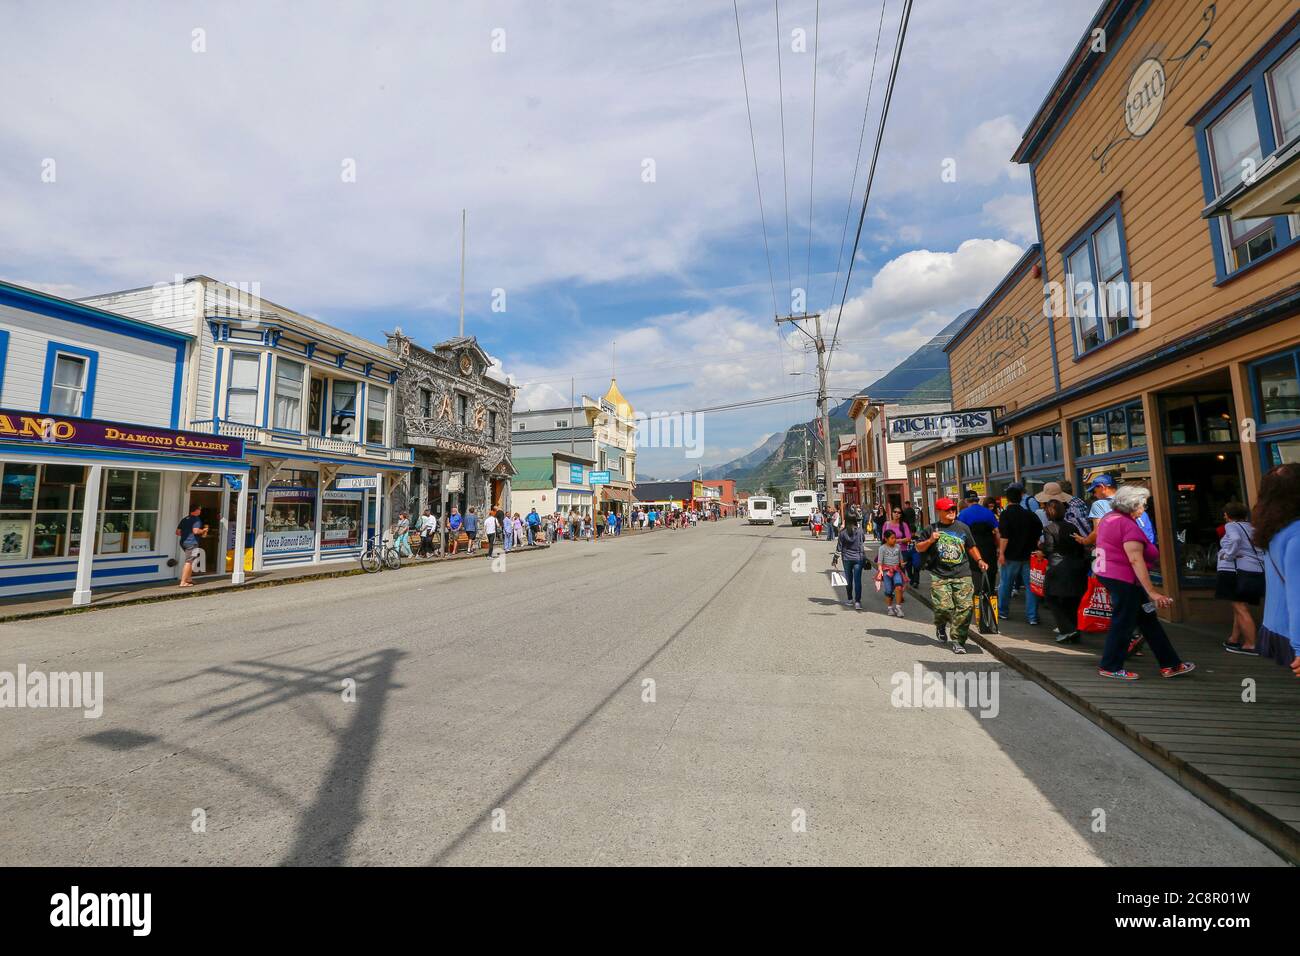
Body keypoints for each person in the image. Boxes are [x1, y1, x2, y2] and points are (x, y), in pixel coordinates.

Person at [1094, 484, 1194, 680]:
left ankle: (1171, 663)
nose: (1144, 508)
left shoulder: (1108, 518)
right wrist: (1152, 591)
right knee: (1123, 622)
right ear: (1133, 505)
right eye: (1143, 505)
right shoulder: (1127, 525)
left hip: (1112, 575)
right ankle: (1110, 666)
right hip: (1125, 580)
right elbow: (1135, 559)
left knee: (1147, 620)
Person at [914, 497, 988, 653]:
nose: (951, 512)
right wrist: (930, 540)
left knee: (966, 608)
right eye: (947, 510)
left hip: (962, 573)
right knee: (943, 608)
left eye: (953, 509)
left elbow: (971, 547)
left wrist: (980, 560)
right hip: (940, 575)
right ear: (939, 511)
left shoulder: (963, 528)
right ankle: (941, 625)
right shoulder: (931, 529)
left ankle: (958, 640)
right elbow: (919, 548)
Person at [1253, 463, 1300, 676]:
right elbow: (1297, 596)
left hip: (1276, 626)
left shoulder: (1275, 531)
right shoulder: (1296, 535)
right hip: (1291, 631)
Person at [1037, 497, 1090, 643]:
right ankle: (1074, 629)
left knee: (1051, 598)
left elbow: (1049, 548)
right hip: (1075, 566)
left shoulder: (1049, 528)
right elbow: (1079, 546)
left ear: (1048, 513)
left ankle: (1067, 629)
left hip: (1057, 567)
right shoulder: (1072, 527)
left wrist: (1041, 549)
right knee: (1072, 600)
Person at [1217, 501, 1265, 655]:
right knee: (1240, 606)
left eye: (1225, 513)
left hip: (1235, 570)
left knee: (1239, 607)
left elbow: (1236, 540)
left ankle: (1251, 644)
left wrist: (1228, 555)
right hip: (1254, 570)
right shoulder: (1251, 526)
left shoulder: (1231, 526)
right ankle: (1234, 638)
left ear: (1228, 515)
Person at [996, 483, 1041, 625]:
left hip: (1011, 555)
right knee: (1031, 587)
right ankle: (1032, 616)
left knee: (1005, 584)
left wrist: (1001, 553)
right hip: (1030, 555)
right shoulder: (1030, 514)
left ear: (1007, 499)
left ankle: (1003, 612)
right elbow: (1039, 532)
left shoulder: (1006, 514)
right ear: (1021, 497)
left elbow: (1005, 536)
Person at [958, 490, 1001, 600]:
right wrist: (999, 548)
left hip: (973, 549)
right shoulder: (988, 512)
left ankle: (978, 598)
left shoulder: (963, 514)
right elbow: (997, 532)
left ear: (966, 501)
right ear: (977, 499)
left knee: (975, 574)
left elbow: (959, 534)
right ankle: (990, 596)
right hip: (989, 548)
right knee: (990, 573)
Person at [1074, 475, 1117, 548]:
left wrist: (1084, 541)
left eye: (1094, 491)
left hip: (1112, 550)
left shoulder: (1099, 504)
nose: (1094, 494)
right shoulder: (1130, 501)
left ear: (1102, 487)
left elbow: (1098, 532)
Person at [835, 513, 866, 610]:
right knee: (857, 581)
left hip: (847, 558)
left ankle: (849, 599)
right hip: (858, 558)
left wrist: (835, 559)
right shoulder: (860, 531)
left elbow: (839, 547)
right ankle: (857, 602)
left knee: (848, 580)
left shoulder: (843, 532)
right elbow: (863, 540)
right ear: (855, 520)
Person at [876, 529, 908, 617]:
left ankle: (898, 607)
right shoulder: (882, 548)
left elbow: (900, 558)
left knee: (898, 586)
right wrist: (880, 571)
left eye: (895, 538)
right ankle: (890, 608)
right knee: (888, 591)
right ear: (886, 539)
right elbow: (879, 562)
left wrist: (902, 563)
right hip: (887, 572)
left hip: (897, 570)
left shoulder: (898, 547)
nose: (895, 540)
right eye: (892, 538)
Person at [175, 505, 208, 588]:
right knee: (189, 562)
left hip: (183, 542)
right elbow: (196, 531)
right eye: (199, 509)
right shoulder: (196, 519)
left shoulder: (185, 519)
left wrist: (187, 534)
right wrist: (203, 530)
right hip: (192, 543)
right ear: (196, 510)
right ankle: (183, 582)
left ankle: (189, 579)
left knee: (191, 560)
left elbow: (178, 532)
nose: (200, 511)